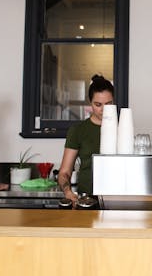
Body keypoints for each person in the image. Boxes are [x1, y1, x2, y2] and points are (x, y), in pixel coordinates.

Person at [58, 75, 114, 206]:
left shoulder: (122, 129)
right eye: (98, 104)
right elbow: (64, 172)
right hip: (87, 200)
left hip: (117, 199)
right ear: (90, 103)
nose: (103, 109)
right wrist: (67, 191)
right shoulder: (78, 131)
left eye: (108, 104)